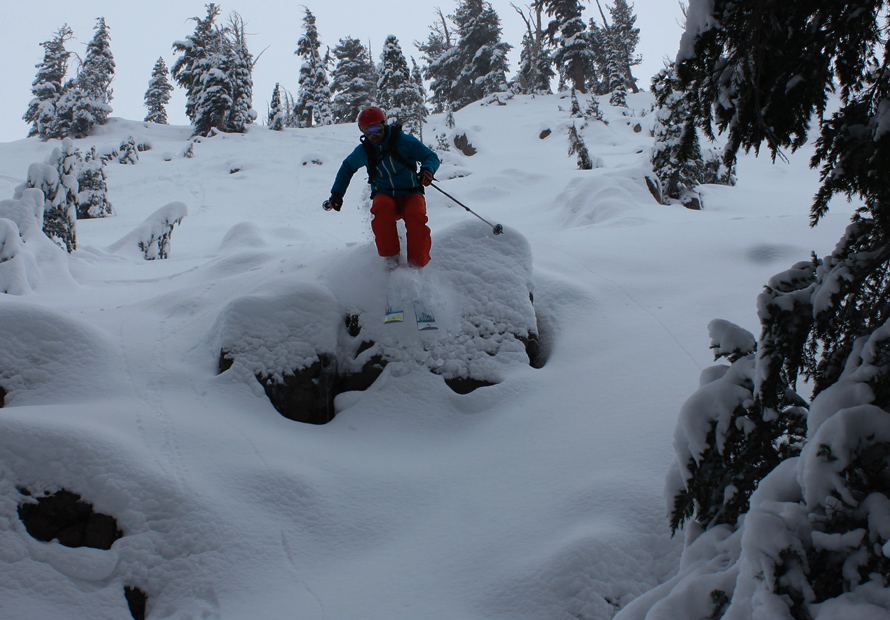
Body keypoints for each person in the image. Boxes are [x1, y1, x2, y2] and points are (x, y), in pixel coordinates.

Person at [325, 106, 440, 269]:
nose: (373, 135)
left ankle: (417, 265)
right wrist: (337, 194)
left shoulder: (404, 141)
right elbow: (347, 167)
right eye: (368, 131)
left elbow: (431, 157)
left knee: (415, 214)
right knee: (381, 209)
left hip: (411, 192)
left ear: (384, 124)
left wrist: (427, 170)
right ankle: (391, 260)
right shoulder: (364, 151)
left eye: (376, 129)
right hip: (384, 194)